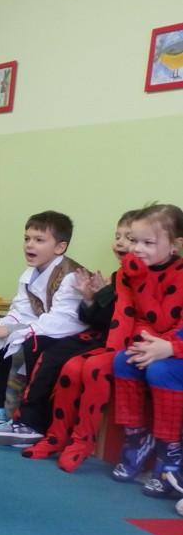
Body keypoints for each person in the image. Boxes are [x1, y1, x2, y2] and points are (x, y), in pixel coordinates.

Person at [18, 211, 136, 470]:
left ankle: (80, 440)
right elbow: (100, 320)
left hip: (122, 344)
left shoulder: (130, 280)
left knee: (85, 366)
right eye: (117, 236)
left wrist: (98, 298)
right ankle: (53, 433)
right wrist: (92, 298)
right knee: (60, 361)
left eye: (130, 238)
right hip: (103, 337)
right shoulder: (116, 278)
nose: (120, 242)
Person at [0, 211, 87, 429]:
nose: (29, 245)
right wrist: (3, 325)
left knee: (32, 341)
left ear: (59, 247)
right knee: (1, 331)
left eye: (39, 240)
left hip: (71, 334)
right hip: (46, 326)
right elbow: (21, 309)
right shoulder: (30, 273)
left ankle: (30, 417)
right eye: (27, 238)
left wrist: (12, 330)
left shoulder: (71, 276)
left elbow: (62, 321)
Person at [106, 204, 183, 497]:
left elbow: (162, 320)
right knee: (123, 360)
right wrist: (148, 345)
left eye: (148, 243)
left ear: (175, 246)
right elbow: (134, 318)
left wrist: (169, 347)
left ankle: (169, 455)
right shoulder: (131, 271)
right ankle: (137, 439)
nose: (137, 249)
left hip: (174, 348)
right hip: (156, 344)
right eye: (134, 241)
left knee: (161, 370)